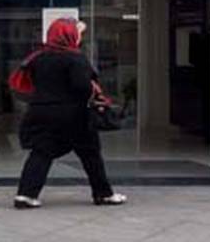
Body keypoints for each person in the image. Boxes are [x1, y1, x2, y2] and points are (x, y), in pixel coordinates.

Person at [12, 17, 127, 209]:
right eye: (78, 34)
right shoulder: (75, 59)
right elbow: (82, 87)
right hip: (74, 115)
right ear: (70, 36)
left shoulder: (38, 58)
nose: (80, 37)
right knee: (90, 154)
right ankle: (103, 194)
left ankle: (25, 195)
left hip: (41, 111)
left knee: (41, 152)